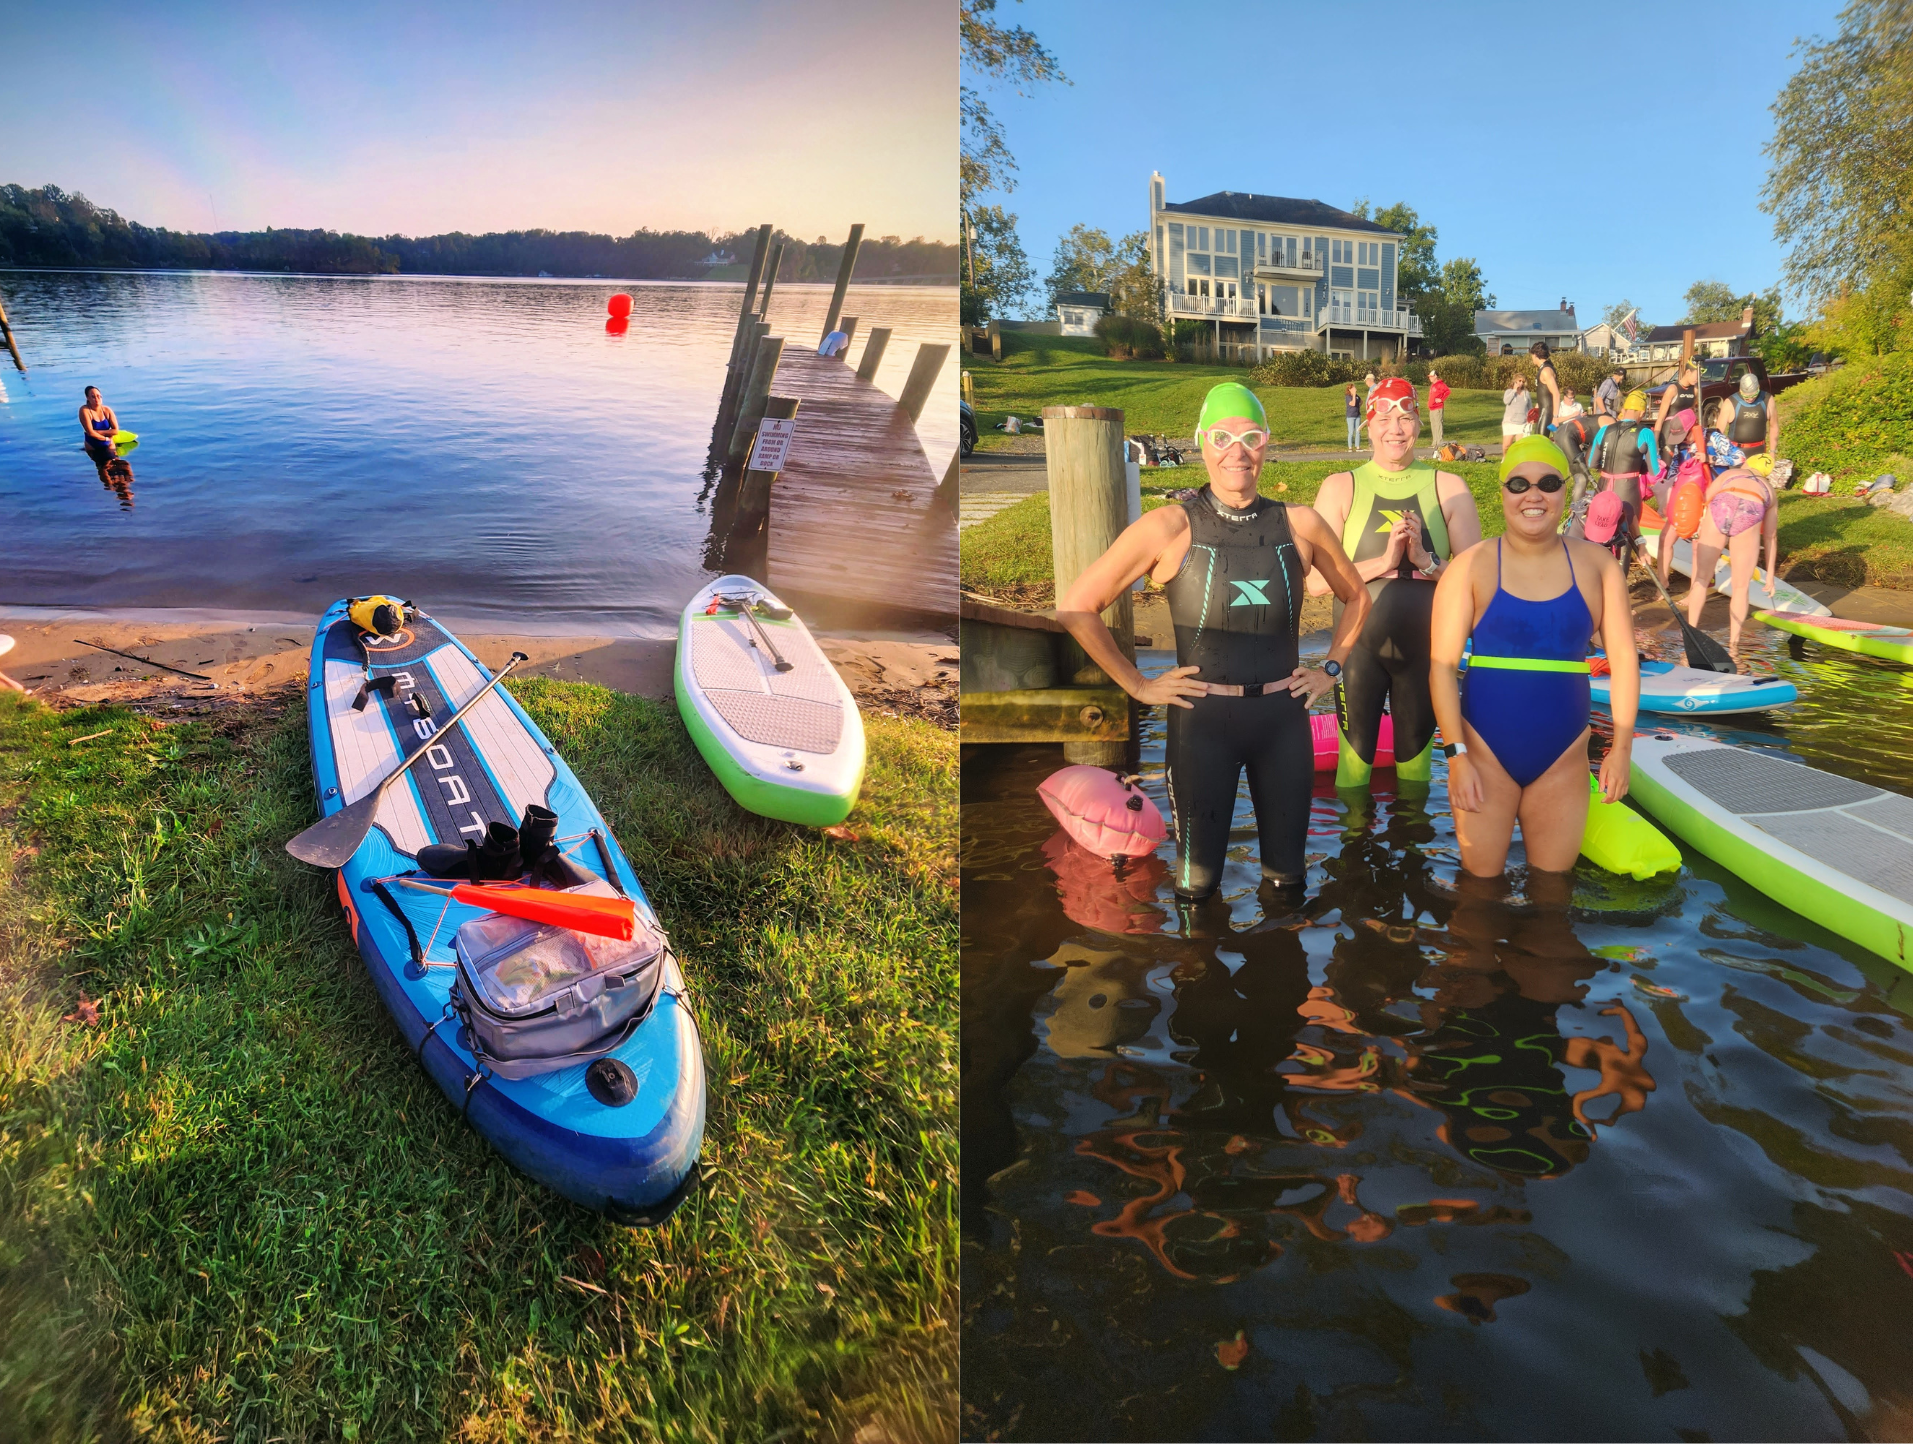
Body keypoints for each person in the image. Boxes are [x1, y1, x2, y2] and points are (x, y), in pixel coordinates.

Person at [1056, 382, 1371, 902]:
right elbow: (1076, 607)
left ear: (1267, 443)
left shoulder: (1301, 524)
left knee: (1288, 885)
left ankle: (1283, 973)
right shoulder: (1169, 527)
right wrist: (1138, 685)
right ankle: (1196, 973)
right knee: (1195, 888)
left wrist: (1331, 668)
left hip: (1283, 723)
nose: (1237, 452)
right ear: (1202, 442)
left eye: (1250, 436)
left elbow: (1358, 597)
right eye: (1222, 437)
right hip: (1200, 729)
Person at [1430, 435, 1639, 877]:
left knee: (1552, 898)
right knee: (1478, 898)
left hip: (1563, 759)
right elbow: (1442, 668)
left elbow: (1623, 662)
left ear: (1566, 490)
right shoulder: (1470, 566)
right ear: (1501, 491)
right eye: (1519, 484)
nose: (1534, 496)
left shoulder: (1598, 567)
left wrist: (1621, 751)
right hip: (1484, 756)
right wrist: (1456, 757)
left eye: (1547, 482)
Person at [1309, 376, 1481, 788]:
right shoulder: (1339, 487)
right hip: (1357, 652)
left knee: (1416, 770)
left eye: (1406, 417)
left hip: (1425, 654)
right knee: (1353, 768)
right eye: (1384, 417)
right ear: (1367, 424)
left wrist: (1425, 561)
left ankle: (1415, 849)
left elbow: (1477, 584)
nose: (1396, 428)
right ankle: (1351, 844)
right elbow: (1316, 582)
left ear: (1420, 424)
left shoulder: (1449, 487)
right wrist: (1385, 560)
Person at [1687, 456, 1778, 667]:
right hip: (1752, 508)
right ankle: (1734, 646)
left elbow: (1705, 499)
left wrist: (1698, 530)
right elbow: (1771, 536)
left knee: (1701, 578)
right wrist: (1770, 575)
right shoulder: (1769, 489)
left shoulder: (1728, 474)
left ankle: (1690, 635)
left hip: (1723, 505)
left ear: (1746, 465)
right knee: (1741, 587)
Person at [1584, 390, 1658, 560]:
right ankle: (1620, 581)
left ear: (1624, 410)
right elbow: (1654, 470)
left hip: (1602, 488)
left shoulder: (1605, 430)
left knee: (1599, 538)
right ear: (1642, 412)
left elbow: (1591, 463)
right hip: (1628, 490)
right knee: (1626, 539)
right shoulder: (1645, 433)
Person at [1650, 362, 1699, 459]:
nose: (1698, 379)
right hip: (1669, 432)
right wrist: (1655, 442)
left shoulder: (1695, 389)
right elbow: (1660, 418)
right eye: (1696, 376)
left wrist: (1694, 432)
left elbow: (1692, 413)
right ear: (1688, 372)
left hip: (1685, 432)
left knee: (1683, 465)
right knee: (1667, 465)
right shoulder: (1673, 389)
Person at [1725, 373, 1777, 459]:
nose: (1750, 399)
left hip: (1759, 453)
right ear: (1740, 390)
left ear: (1758, 388)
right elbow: (1718, 432)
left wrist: (1772, 452)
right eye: (1746, 396)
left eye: (1754, 395)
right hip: (1736, 454)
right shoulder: (1730, 402)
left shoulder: (1767, 399)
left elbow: (1774, 426)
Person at [78, 386, 125, 475]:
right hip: (93, 445)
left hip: (109, 445)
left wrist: (98, 432)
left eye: (98, 396)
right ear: (87, 398)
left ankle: (126, 485)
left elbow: (115, 431)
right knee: (104, 468)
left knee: (121, 465)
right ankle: (108, 486)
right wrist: (105, 438)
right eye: (93, 396)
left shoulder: (107, 410)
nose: (97, 399)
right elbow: (90, 433)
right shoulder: (85, 410)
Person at [1500, 371, 1531, 455]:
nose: (1521, 383)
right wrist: (1514, 390)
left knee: (1520, 445)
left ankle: (1518, 461)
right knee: (1507, 445)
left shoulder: (1526, 394)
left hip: (1522, 422)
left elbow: (1529, 408)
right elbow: (1506, 401)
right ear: (1515, 381)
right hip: (1510, 422)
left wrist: (1530, 418)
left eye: (1523, 382)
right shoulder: (1509, 391)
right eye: (1519, 381)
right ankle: (1505, 458)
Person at [1426, 369, 1450, 453]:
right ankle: (1434, 442)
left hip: (1438, 408)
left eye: (1431, 377)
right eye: (1429, 377)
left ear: (1436, 376)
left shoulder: (1440, 384)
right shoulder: (1433, 385)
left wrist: (1441, 399)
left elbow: (1447, 391)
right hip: (1432, 408)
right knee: (1433, 424)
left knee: (1438, 424)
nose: (1430, 378)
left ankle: (1439, 442)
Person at [1344, 383, 1362, 451]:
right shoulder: (1348, 397)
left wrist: (1358, 407)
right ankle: (1350, 447)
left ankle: (1357, 446)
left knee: (1358, 431)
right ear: (1350, 389)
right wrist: (1354, 394)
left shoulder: (1357, 396)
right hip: (1351, 416)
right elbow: (1353, 403)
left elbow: (1361, 401)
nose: (1355, 388)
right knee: (1351, 432)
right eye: (1353, 387)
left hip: (1357, 415)